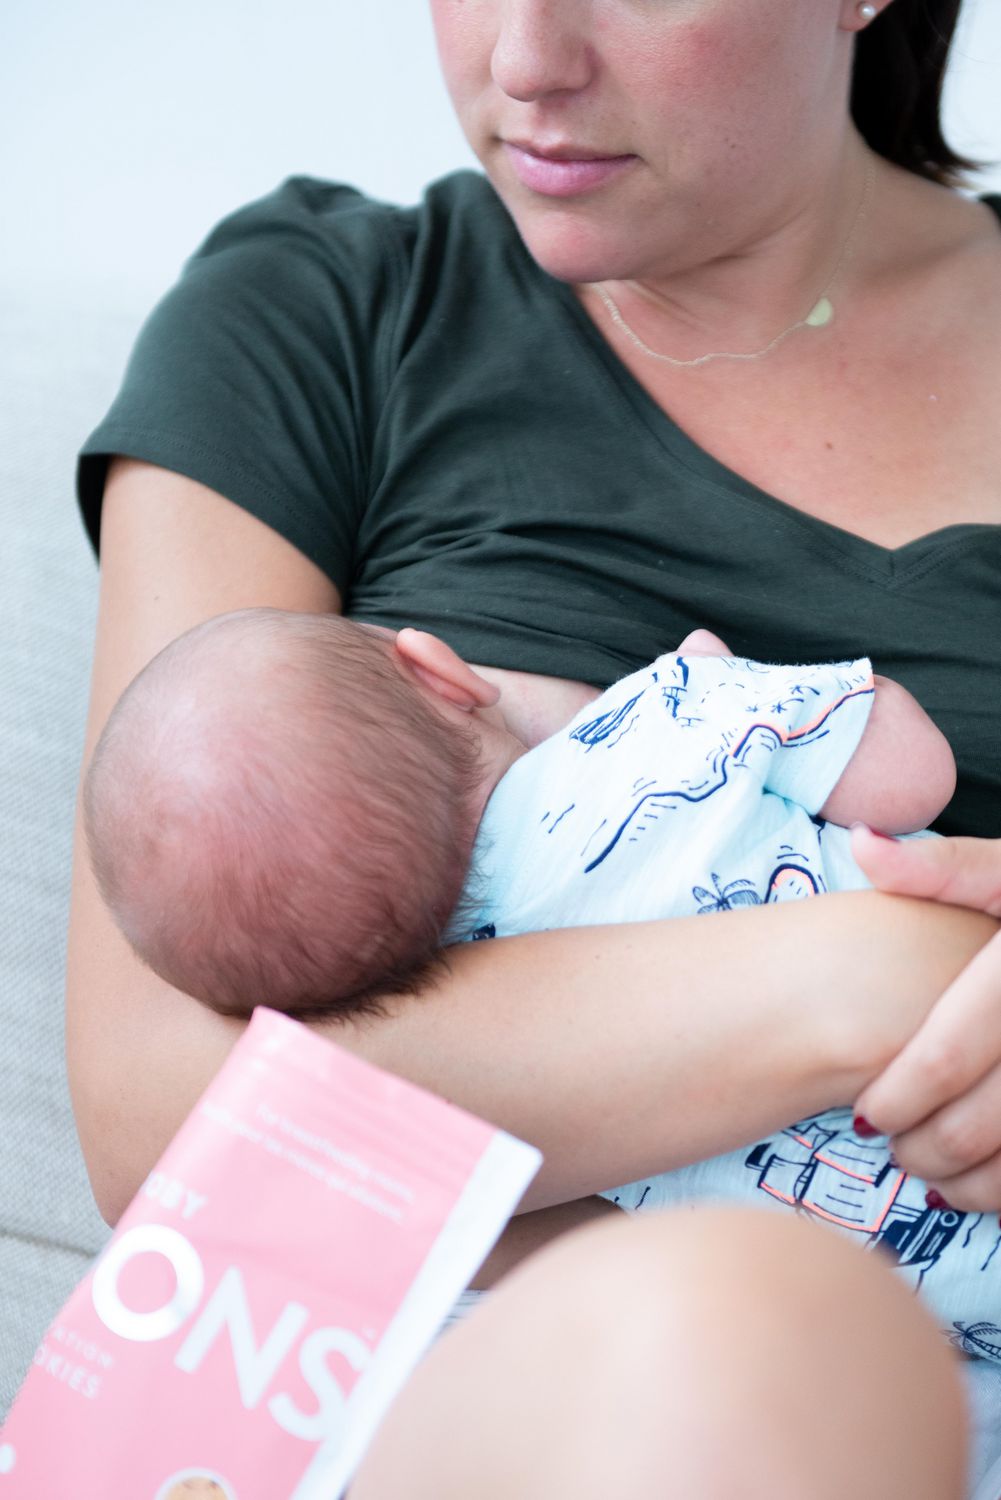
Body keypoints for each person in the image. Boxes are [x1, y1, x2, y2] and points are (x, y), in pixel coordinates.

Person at [67, 0, 1001, 1492]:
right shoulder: (330, 313)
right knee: (747, 1330)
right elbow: (169, 1115)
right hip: (454, 1394)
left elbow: (300, 1108)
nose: (525, 62)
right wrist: (875, 978)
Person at [82, 607, 952, 1018]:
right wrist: (730, 683)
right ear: (439, 671)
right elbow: (913, 778)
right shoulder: (668, 717)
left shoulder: (489, 1047)